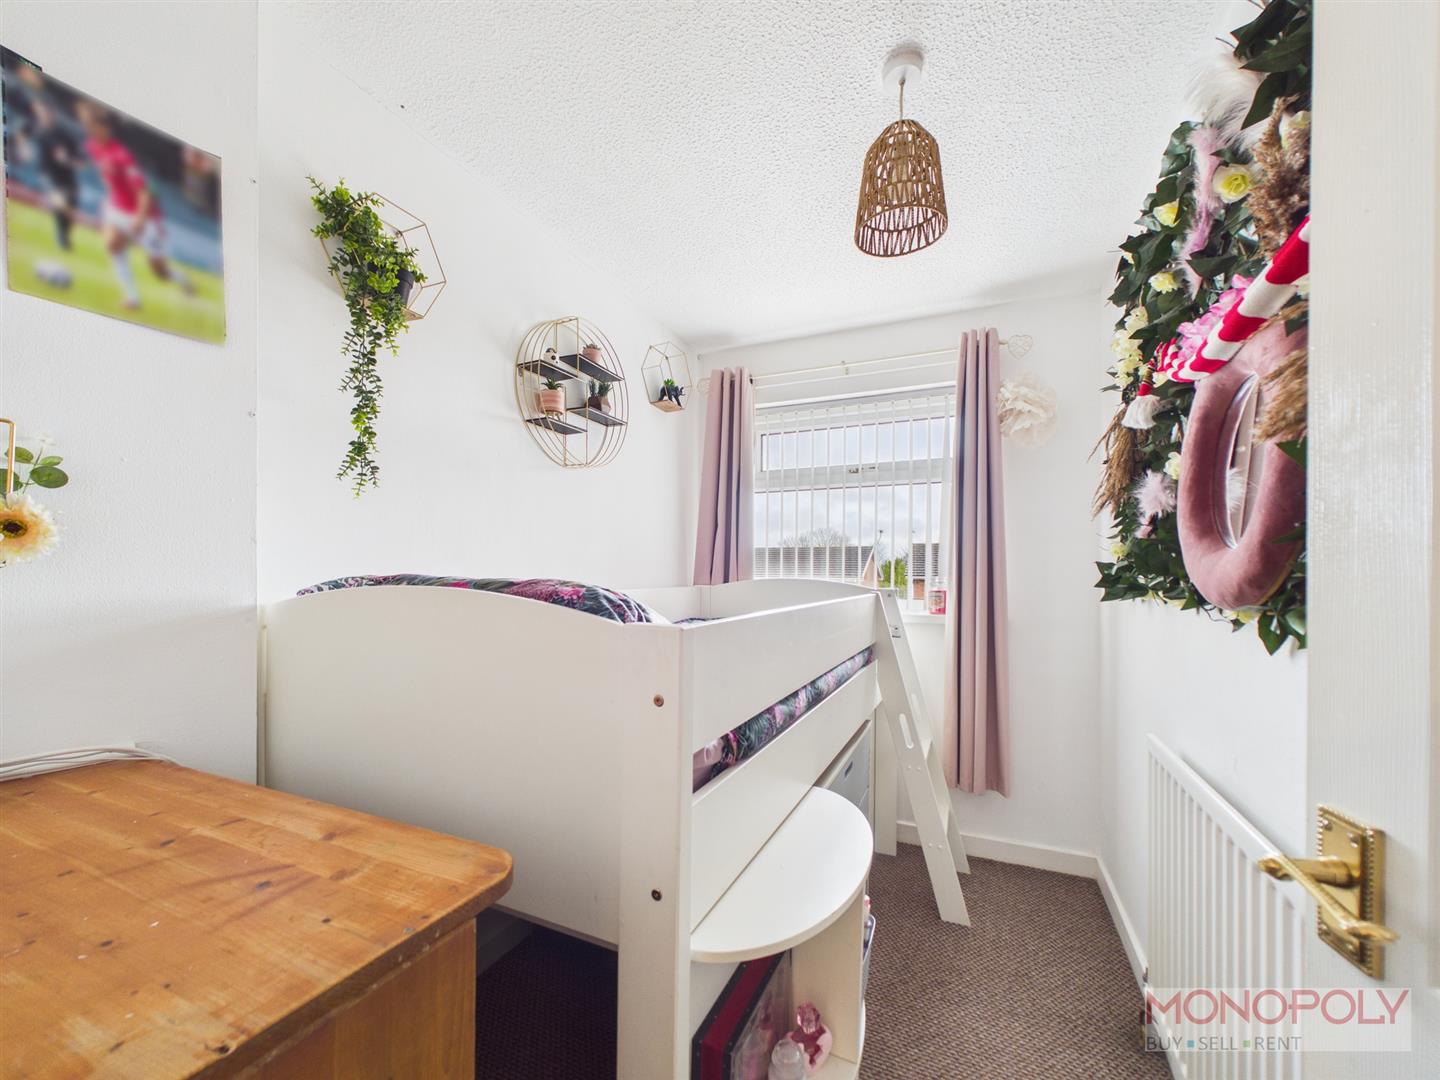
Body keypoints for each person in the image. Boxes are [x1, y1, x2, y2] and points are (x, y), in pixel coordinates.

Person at [74, 99, 192, 310]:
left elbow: (144, 190)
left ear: (105, 128)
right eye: (86, 125)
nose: (88, 129)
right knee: (112, 244)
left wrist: (139, 217)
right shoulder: (91, 146)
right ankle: (132, 298)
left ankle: (183, 280)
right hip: (116, 209)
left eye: (92, 125)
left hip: (142, 215)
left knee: (159, 271)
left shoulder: (123, 156)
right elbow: (103, 172)